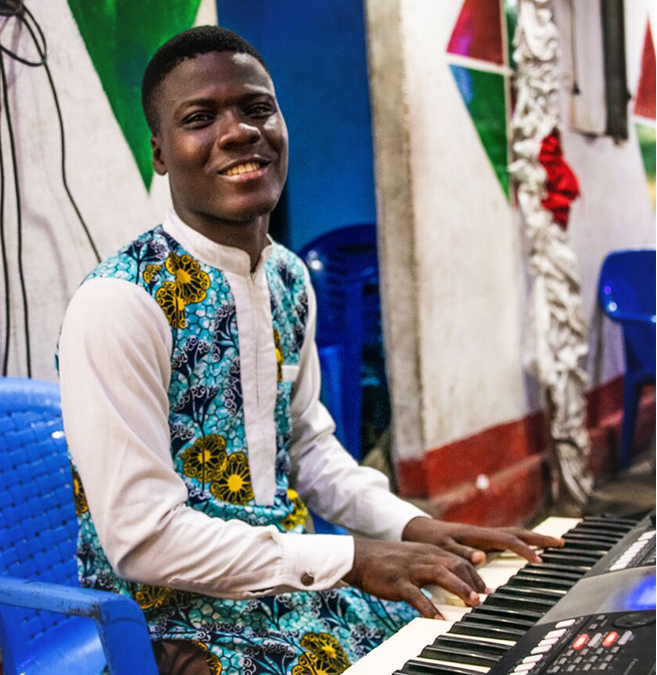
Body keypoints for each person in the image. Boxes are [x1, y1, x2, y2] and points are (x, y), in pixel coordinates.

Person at [58, 25, 563, 675]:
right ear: (159, 152)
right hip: (164, 615)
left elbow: (311, 450)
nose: (239, 131)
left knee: (470, 626)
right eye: (199, 117)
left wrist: (412, 527)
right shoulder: (121, 302)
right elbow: (144, 540)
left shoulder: (288, 279)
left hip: (284, 586)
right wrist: (351, 557)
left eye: (256, 107)